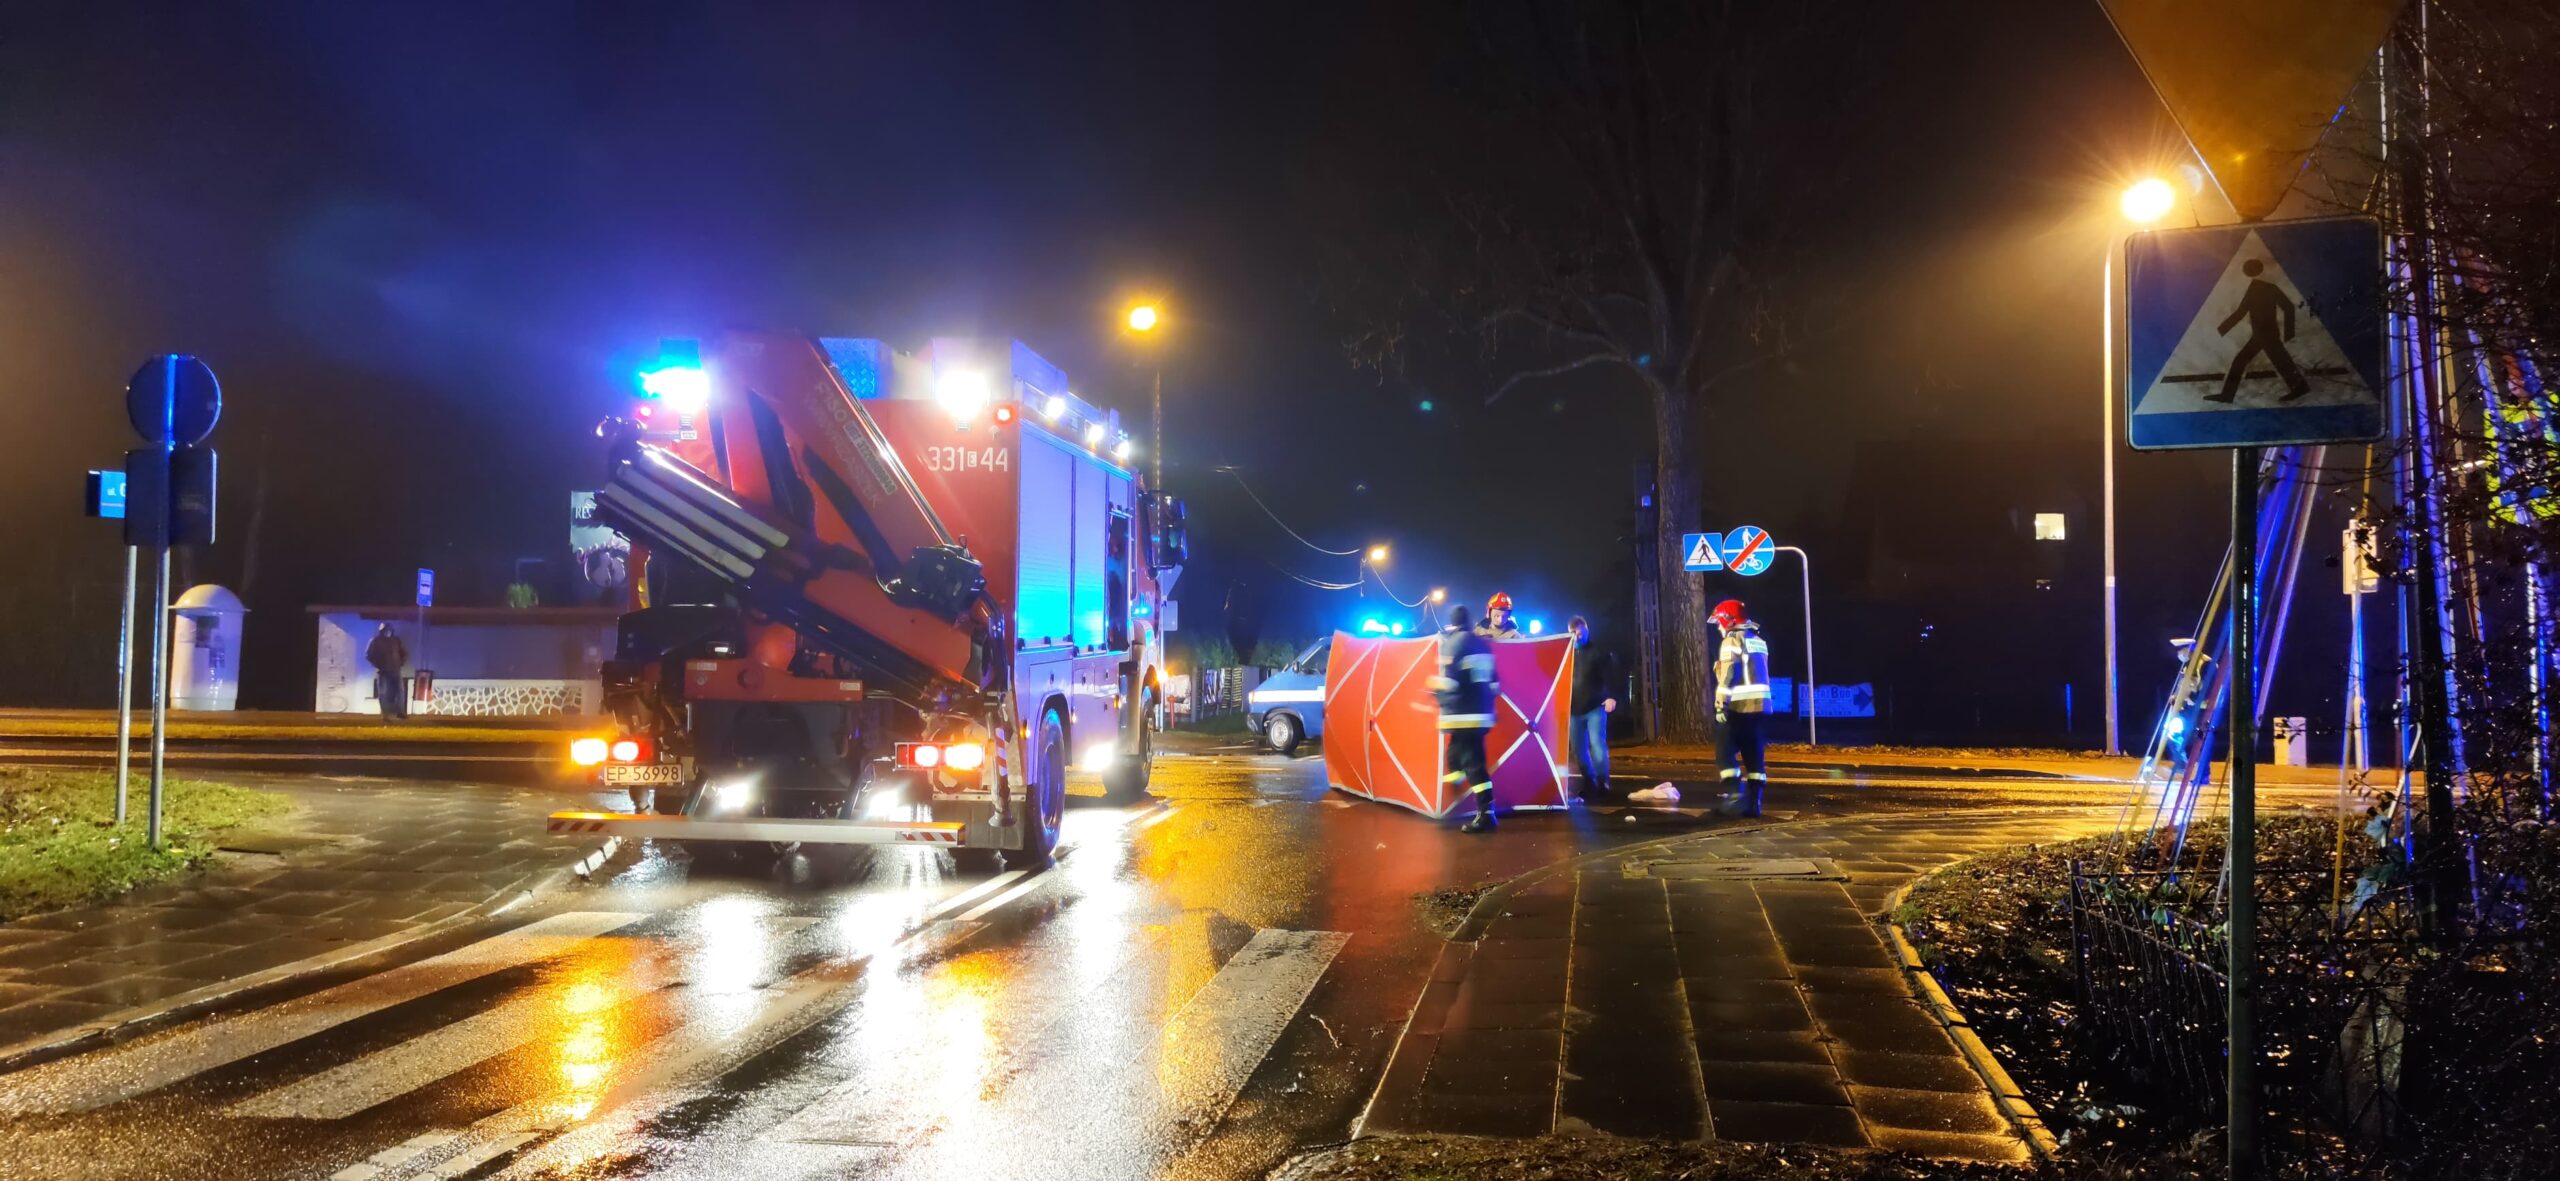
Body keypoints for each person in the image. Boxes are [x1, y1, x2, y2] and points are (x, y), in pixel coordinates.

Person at [1432, 603, 1500, 833]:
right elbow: (1495, 684)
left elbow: (1449, 682)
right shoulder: (1483, 644)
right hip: (1481, 716)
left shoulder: (1453, 643)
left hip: (1463, 716)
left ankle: (1486, 814)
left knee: (1473, 764)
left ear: (1453, 623)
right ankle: (1456, 790)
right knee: (1455, 755)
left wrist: (1434, 689)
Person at [1711, 598, 1772, 816]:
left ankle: (1734, 795)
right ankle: (1755, 803)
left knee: (1724, 750)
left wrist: (1721, 705)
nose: (1718, 627)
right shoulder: (1758, 640)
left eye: (1719, 622)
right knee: (1754, 753)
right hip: (1760, 708)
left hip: (1738, 707)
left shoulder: (1731, 641)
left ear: (1728, 620)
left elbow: (1729, 675)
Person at [1566, 616, 1617, 801]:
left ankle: (1603, 782)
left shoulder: (1598, 652)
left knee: (1597, 745)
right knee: (1578, 749)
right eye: (1573, 633)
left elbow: (1610, 675)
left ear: (1586, 631)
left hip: (1595, 705)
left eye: (1580, 633)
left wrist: (1610, 696)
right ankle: (1589, 781)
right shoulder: (1566, 653)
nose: (1577, 637)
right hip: (1573, 708)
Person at [366, 623, 409, 721]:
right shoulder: (375, 641)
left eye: (389, 630)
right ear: (382, 631)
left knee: (400, 691)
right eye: (386, 630)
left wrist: (400, 663)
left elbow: (404, 653)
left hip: (395, 670)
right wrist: (377, 665)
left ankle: (401, 712)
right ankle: (385, 714)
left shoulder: (396, 641)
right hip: (382, 671)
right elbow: (368, 655)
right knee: (383, 692)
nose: (388, 632)